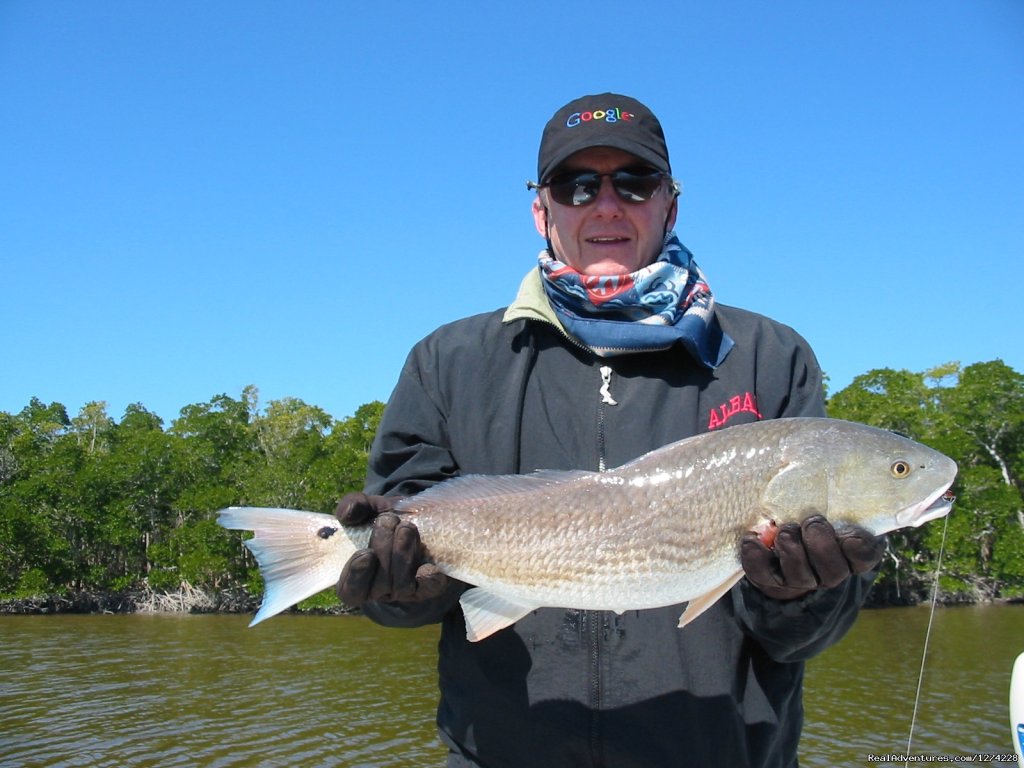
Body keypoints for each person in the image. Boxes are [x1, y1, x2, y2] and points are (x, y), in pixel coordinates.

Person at [334, 93, 884, 768]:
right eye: (577, 184)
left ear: (670, 204)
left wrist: (805, 595)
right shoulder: (448, 361)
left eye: (635, 182)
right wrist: (401, 590)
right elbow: (407, 592)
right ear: (542, 209)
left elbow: (798, 639)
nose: (606, 204)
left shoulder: (770, 357)